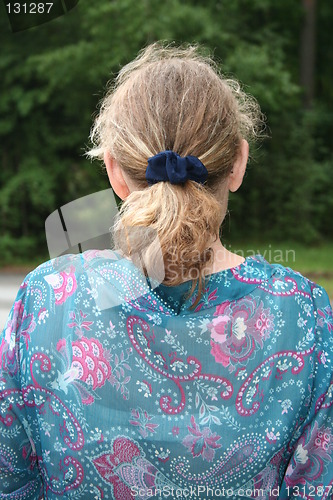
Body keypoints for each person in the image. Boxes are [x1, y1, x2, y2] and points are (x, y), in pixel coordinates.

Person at [0, 42, 332, 499]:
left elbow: (10, 477)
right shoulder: (302, 315)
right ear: (237, 163)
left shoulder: (47, 299)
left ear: (114, 171)